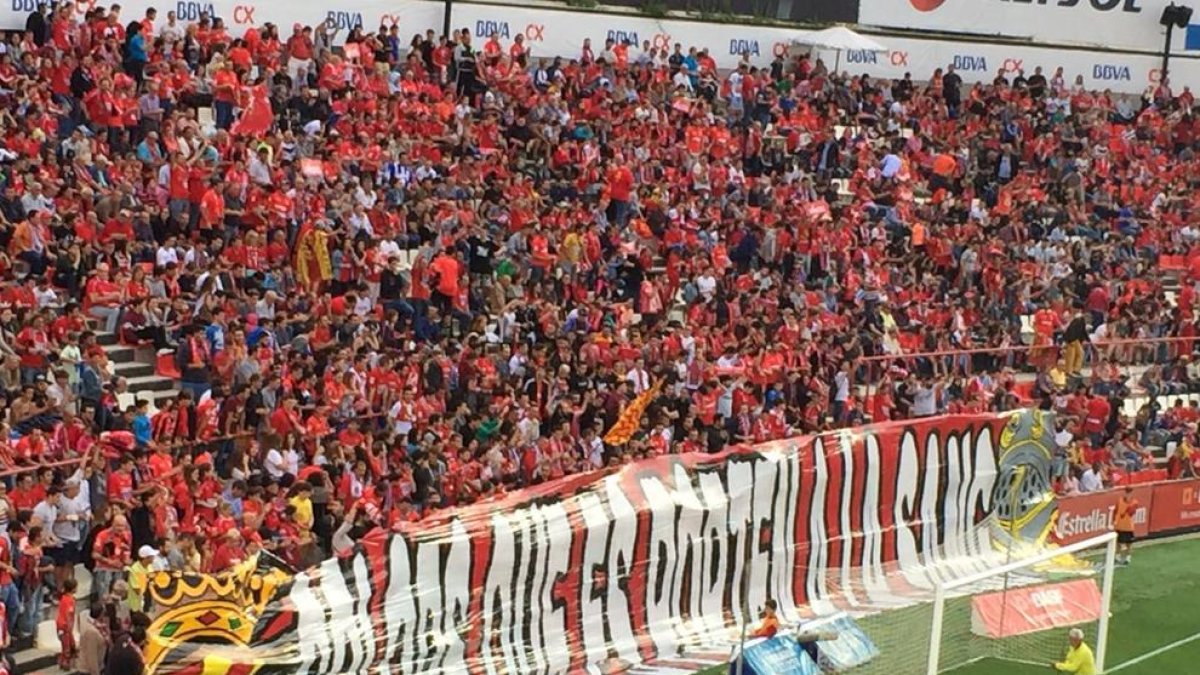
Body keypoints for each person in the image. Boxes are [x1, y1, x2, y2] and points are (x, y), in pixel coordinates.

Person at [56, 577, 78, 670]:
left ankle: (63, 662)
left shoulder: (63, 597)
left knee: (67, 645)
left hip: (60, 625)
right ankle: (65, 663)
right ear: (73, 589)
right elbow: (68, 614)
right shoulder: (70, 600)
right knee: (67, 646)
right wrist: (69, 628)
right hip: (65, 626)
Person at [1114, 486, 1138, 566]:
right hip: (1119, 525)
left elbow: (1131, 513)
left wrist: (1129, 507)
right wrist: (1114, 521)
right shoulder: (1119, 500)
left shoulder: (1134, 502)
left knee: (1129, 544)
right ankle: (1117, 557)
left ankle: (1127, 558)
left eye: (1129, 491)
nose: (1128, 493)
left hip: (1128, 527)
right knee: (1118, 543)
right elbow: (1116, 511)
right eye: (1127, 491)